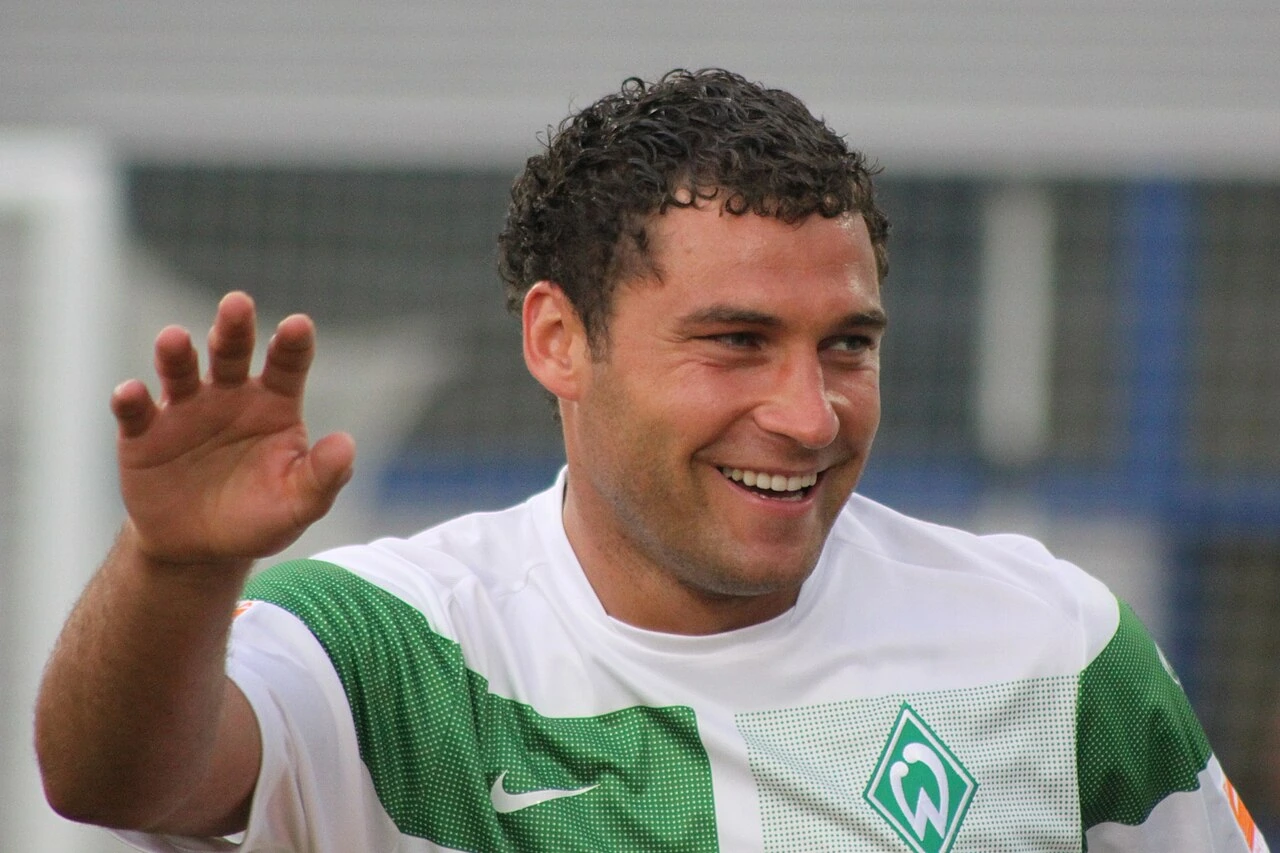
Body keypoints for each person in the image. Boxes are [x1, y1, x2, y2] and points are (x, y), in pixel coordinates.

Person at [34, 69, 1268, 853]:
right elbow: (112, 778)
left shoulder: (1052, 644)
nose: (807, 413)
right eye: (734, 343)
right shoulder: (389, 648)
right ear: (559, 340)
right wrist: (173, 568)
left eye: (846, 344)